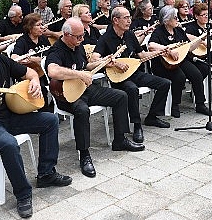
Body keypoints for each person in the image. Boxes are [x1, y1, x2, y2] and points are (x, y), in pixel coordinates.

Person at [0, 20, 71, 218]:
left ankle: (46, 174)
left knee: (50, 121)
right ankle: (23, 194)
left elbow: (30, 72)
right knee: (8, 143)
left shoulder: (1, 60)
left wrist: (34, 81)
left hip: (7, 115)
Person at [45, 17, 144, 178]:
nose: (81, 40)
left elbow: (86, 66)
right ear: (66, 34)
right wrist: (79, 74)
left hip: (84, 89)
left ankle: (120, 139)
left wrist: (104, 62)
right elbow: (53, 72)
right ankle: (84, 155)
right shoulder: (56, 51)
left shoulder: (77, 46)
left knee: (120, 96)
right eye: (78, 37)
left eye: (82, 36)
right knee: (82, 111)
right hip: (67, 96)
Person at [92, 7, 171, 143]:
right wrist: (114, 62)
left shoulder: (129, 35)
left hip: (134, 72)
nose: (130, 21)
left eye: (130, 17)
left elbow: (141, 55)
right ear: (116, 20)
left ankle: (152, 116)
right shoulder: (106, 38)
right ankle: (137, 125)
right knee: (132, 89)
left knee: (165, 83)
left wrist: (160, 52)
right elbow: (94, 58)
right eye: (126, 18)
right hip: (119, 77)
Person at [148, 6, 212, 117]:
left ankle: (200, 104)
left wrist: (200, 40)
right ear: (166, 20)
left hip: (180, 60)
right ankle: (175, 104)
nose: (177, 19)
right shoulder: (159, 32)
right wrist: (168, 50)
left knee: (197, 74)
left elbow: (188, 48)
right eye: (175, 17)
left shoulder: (178, 30)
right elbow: (151, 45)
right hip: (163, 64)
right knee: (179, 77)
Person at [11, 13, 51, 112]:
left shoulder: (43, 39)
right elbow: (14, 57)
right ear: (30, 28)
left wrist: (37, 59)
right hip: (30, 75)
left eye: (42, 24)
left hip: (44, 72)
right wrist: (27, 60)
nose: (42, 27)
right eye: (38, 25)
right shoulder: (23, 41)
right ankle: (44, 114)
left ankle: (55, 108)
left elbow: (51, 55)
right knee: (42, 88)